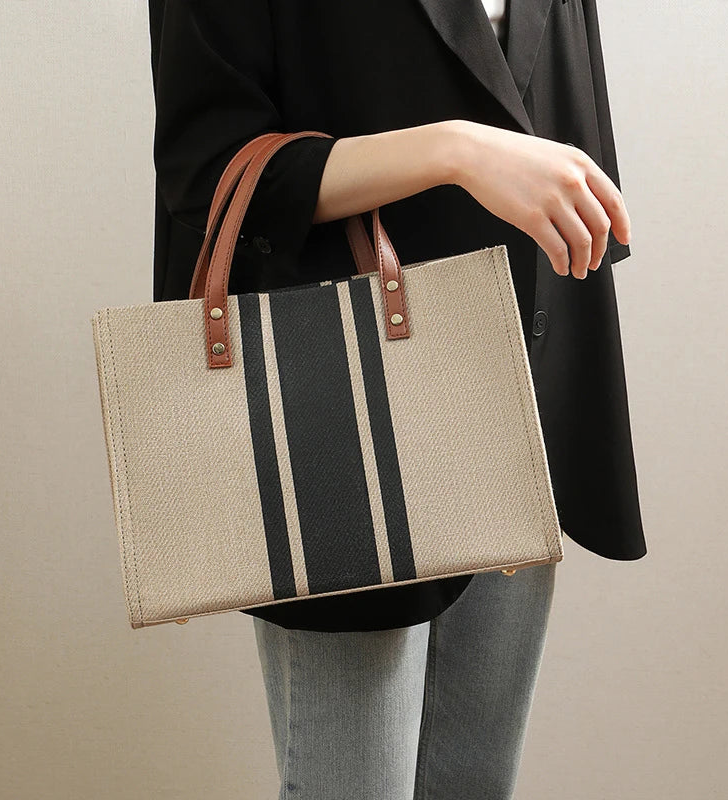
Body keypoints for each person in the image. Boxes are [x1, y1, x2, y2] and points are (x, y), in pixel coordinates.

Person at [147, 1, 647, 797]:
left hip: (517, 382)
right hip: (340, 410)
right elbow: (207, 171)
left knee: (476, 783)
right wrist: (455, 149)